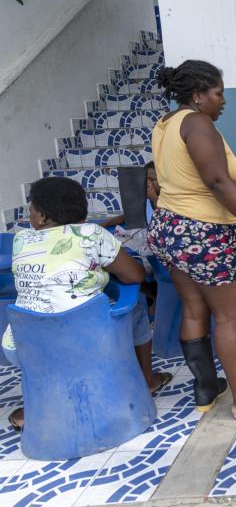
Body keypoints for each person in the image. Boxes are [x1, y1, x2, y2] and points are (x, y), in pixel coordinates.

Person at [147, 60, 236, 420]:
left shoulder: (165, 123)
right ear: (198, 96)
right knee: (228, 318)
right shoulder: (197, 123)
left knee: (194, 309)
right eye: (218, 93)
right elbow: (218, 181)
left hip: (170, 229)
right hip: (205, 233)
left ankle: (206, 388)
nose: (223, 101)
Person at [2, 177, 166, 432]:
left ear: (43, 217)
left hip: (22, 345)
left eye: (31, 209)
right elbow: (134, 276)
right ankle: (147, 380)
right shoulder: (91, 234)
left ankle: (40, 405)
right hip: (87, 342)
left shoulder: (21, 240)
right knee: (137, 304)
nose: (30, 214)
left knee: (47, 331)